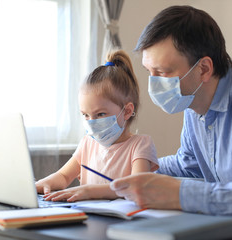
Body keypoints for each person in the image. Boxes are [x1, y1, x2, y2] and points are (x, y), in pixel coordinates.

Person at [109, 5, 232, 239]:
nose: (153, 84)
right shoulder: (193, 104)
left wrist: (183, 194)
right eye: (150, 72)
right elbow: (189, 165)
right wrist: (127, 162)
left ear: (204, 68)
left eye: (163, 72)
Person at [35, 50, 159, 202]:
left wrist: (89, 191)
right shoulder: (87, 143)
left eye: (100, 114)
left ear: (127, 111)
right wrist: (42, 184)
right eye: (85, 115)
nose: (91, 122)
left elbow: (136, 187)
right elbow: (63, 176)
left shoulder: (140, 145)